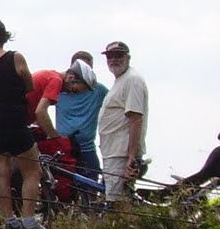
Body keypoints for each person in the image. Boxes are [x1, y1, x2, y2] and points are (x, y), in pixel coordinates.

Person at [0, 18, 52, 229]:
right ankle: (28, 219)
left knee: (0, 171)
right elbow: (29, 84)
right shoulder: (14, 57)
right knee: (32, 169)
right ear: (4, 36)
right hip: (13, 116)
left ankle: (9, 220)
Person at [97, 40, 149, 203]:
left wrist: (131, 157)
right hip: (112, 151)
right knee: (115, 200)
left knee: (117, 203)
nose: (113, 60)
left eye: (118, 55)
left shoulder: (132, 80)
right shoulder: (121, 80)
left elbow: (135, 119)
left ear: (128, 57)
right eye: (110, 56)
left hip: (122, 153)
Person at [55, 58, 107, 183]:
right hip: (64, 148)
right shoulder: (59, 88)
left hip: (87, 147)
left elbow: (115, 105)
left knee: (91, 186)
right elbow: (39, 107)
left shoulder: (98, 90)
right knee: (63, 187)